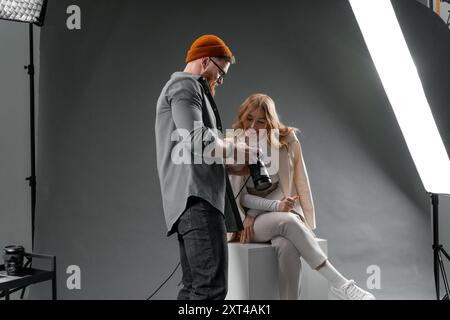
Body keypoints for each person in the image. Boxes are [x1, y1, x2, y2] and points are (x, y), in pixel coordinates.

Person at [227, 93, 376, 300]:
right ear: (242, 117)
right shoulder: (232, 142)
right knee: (288, 222)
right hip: (246, 224)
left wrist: (267, 209)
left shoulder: (286, 140)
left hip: (275, 211)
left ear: (270, 122)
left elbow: (292, 184)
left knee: (287, 246)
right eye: (249, 119)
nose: (253, 125)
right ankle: (340, 284)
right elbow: (240, 196)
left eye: (261, 121)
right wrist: (251, 214)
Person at [155, 35, 258, 300]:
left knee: (194, 289)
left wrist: (237, 167)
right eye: (221, 73)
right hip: (198, 203)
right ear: (205, 61)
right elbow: (197, 140)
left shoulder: (192, 91)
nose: (221, 80)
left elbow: (194, 152)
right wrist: (240, 150)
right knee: (209, 290)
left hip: (193, 203)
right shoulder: (184, 86)